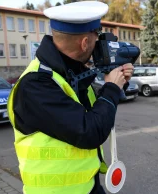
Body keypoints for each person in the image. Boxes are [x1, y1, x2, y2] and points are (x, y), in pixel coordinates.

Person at [7, 1, 134, 194]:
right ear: (84, 43)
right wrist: (111, 87)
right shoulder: (35, 85)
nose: (99, 43)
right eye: (96, 36)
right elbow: (89, 131)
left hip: (88, 185)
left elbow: (96, 113)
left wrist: (117, 83)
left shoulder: (69, 74)